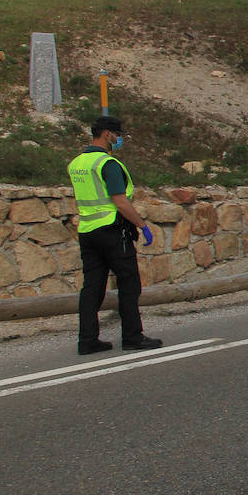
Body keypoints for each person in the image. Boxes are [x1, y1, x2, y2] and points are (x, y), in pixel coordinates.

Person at [66, 115, 163, 355]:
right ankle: (132, 336)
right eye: (118, 135)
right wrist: (142, 225)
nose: (119, 139)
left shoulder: (77, 163)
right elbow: (120, 201)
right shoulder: (107, 164)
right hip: (112, 230)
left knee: (92, 287)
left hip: (87, 231)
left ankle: (87, 340)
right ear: (107, 134)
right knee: (129, 284)